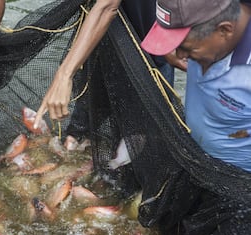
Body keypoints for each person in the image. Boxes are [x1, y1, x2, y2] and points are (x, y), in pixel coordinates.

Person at [34, 0, 187, 141]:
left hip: (150, 49)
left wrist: (64, 75)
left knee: (146, 138)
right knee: (78, 133)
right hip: (100, 44)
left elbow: (107, 8)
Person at [141, 0, 251, 172]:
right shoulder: (201, 30)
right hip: (196, 159)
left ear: (224, 30)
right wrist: (168, 45)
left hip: (240, 179)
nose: (180, 55)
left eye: (186, 48)